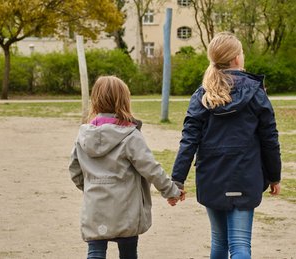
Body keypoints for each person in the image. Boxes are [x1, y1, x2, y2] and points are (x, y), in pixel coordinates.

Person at [171, 32, 281, 259]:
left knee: (219, 242)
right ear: (236, 59)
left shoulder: (202, 96)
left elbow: (188, 141)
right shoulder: (256, 93)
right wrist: (274, 176)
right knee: (240, 245)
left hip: (212, 177)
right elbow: (270, 139)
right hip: (246, 176)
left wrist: (177, 180)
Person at [69, 75, 183, 259]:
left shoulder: (83, 136)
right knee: (128, 252)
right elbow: (151, 168)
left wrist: (91, 187)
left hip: (95, 207)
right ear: (124, 100)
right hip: (127, 209)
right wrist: (171, 191)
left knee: (95, 252)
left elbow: (74, 170)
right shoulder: (130, 136)